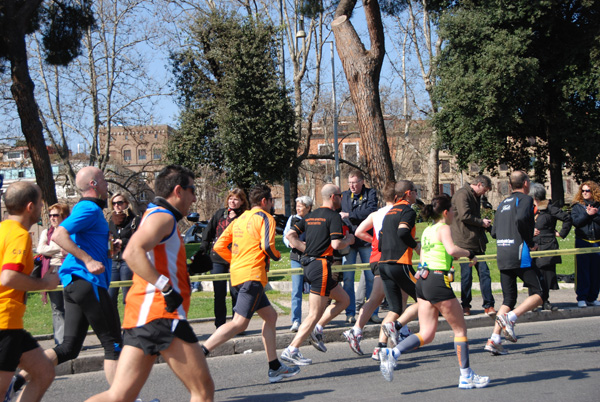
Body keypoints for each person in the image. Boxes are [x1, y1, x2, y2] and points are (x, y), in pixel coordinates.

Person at [85, 165, 214, 402]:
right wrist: (165, 287)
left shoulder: (156, 215)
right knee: (203, 392)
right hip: (161, 315)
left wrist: (189, 269)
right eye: (193, 190)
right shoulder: (163, 217)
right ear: (178, 190)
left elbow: (156, 259)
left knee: (119, 396)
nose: (195, 197)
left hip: (140, 315)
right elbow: (132, 252)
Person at [17, 166, 123, 388]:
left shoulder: (86, 210)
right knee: (113, 343)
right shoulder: (88, 208)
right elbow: (59, 234)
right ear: (93, 184)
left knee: (69, 348)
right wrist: (88, 260)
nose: (106, 184)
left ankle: (16, 381)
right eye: (103, 179)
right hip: (87, 282)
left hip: (75, 284)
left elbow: (70, 239)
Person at [378, 195, 489, 389]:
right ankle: (466, 376)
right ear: (446, 212)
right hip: (437, 281)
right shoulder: (444, 227)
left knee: (427, 334)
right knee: (460, 330)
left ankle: (391, 353)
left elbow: (438, 253)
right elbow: (452, 250)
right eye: (453, 210)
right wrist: (470, 254)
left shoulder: (429, 229)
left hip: (423, 281)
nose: (454, 213)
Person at [201, 185, 299, 383]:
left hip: (239, 274)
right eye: (272, 201)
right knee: (239, 323)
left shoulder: (240, 218)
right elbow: (267, 247)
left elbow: (219, 245)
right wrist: (277, 256)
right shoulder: (265, 218)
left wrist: (236, 261)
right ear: (264, 202)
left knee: (270, 317)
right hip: (252, 276)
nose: (272, 205)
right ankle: (200, 352)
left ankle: (274, 367)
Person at [280, 184, 354, 366]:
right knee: (314, 313)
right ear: (334, 197)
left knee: (344, 300)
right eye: (341, 195)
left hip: (314, 265)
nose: (342, 198)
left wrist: (306, 249)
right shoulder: (334, 216)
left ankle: (318, 328)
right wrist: (349, 240)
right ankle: (292, 350)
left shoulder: (310, 216)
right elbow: (336, 245)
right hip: (320, 266)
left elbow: (290, 235)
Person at [342, 182, 417, 358]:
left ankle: (396, 332)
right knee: (380, 298)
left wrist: (373, 242)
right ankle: (365, 330)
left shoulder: (377, 213)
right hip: (391, 258)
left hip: (379, 258)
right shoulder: (396, 212)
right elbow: (401, 233)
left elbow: (359, 231)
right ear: (399, 196)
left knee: (393, 297)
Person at [1, 182, 60, 402]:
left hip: (11, 323)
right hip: (4, 323)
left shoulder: (2, 230)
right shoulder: (19, 235)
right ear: (29, 206)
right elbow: (8, 277)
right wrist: (45, 283)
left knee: (44, 372)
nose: (41, 207)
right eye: (40, 202)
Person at [484, 171, 543, 355]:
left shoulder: (502, 203)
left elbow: (494, 232)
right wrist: (531, 242)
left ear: (510, 185)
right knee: (540, 293)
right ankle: (510, 317)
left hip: (502, 253)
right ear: (525, 183)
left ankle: (494, 339)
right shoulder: (525, 200)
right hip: (519, 253)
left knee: (509, 299)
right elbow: (520, 220)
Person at [377, 180, 421, 356]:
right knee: (425, 299)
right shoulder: (407, 210)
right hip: (399, 263)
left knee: (395, 308)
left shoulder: (389, 212)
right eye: (416, 191)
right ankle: (396, 327)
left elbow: (380, 242)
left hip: (383, 265)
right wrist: (416, 247)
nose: (417, 195)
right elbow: (403, 232)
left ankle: (380, 347)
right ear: (408, 193)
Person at [199, 188, 248, 328]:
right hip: (217, 259)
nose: (232, 201)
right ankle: (220, 325)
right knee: (219, 293)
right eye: (230, 198)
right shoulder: (220, 214)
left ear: (242, 201)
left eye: (236, 199)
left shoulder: (245, 217)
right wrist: (203, 250)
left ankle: (236, 325)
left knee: (236, 293)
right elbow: (207, 234)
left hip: (237, 259)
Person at [450, 175, 496, 316]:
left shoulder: (473, 196)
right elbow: (465, 216)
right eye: (485, 189)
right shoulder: (462, 194)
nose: (485, 193)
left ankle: (489, 305)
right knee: (466, 276)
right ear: (479, 184)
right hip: (464, 241)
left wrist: (483, 224)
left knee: (484, 274)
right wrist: (481, 222)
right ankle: (465, 306)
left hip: (476, 241)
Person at [340, 170, 378, 323]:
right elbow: (341, 214)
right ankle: (350, 313)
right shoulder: (344, 195)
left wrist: (350, 215)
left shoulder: (371, 194)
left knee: (371, 278)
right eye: (350, 183)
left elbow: (370, 212)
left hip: (365, 241)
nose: (352, 186)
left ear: (362, 182)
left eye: (355, 182)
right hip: (349, 240)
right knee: (348, 278)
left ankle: (371, 312)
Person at [530, 183, 572, 311]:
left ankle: (545, 300)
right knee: (532, 274)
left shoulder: (549, 207)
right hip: (532, 245)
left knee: (546, 274)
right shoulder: (528, 208)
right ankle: (532, 302)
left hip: (547, 245)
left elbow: (567, 218)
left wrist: (561, 233)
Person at [37, 203, 70, 345]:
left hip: (67, 269)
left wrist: (52, 248)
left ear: (63, 216)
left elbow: (69, 250)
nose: (52, 218)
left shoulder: (69, 231)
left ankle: (71, 341)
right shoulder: (46, 233)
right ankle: (60, 341)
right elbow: (40, 249)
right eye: (50, 216)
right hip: (51, 271)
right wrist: (59, 247)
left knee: (70, 306)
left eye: (55, 215)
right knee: (56, 308)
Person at [283, 196, 313, 332]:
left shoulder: (313, 218)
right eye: (297, 206)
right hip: (296, 257)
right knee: (296, 290)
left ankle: (313, 319)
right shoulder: (292, 219)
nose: (297, 208)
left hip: (312, 258)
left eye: (300, 206)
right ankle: (296, 321)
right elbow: (285, 235)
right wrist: (290, 243)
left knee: (314, 291)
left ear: (308, 207)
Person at [108, 193, 140, 309]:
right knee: (110, 297)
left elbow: (139, 239)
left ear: (126, 203)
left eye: (120, 203)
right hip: (113, 260)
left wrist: (123, 242)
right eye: (114, 203)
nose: (117, 206)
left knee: (128, 297)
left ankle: (131, 325)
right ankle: (113, 326)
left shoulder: (135, 220)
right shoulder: (111, 221)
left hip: (128, 261)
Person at [570, 181, 600, 307]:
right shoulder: (577, 207)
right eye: (583, 191)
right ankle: (581, 297)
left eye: (587, 191)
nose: (585, 193)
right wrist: (587, 215)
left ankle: (592, 297)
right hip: (583, 241)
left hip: (597, 243)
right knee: (583, 271)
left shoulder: (598, 206)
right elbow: (576, 222)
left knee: (596, 272)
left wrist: (594, 214)